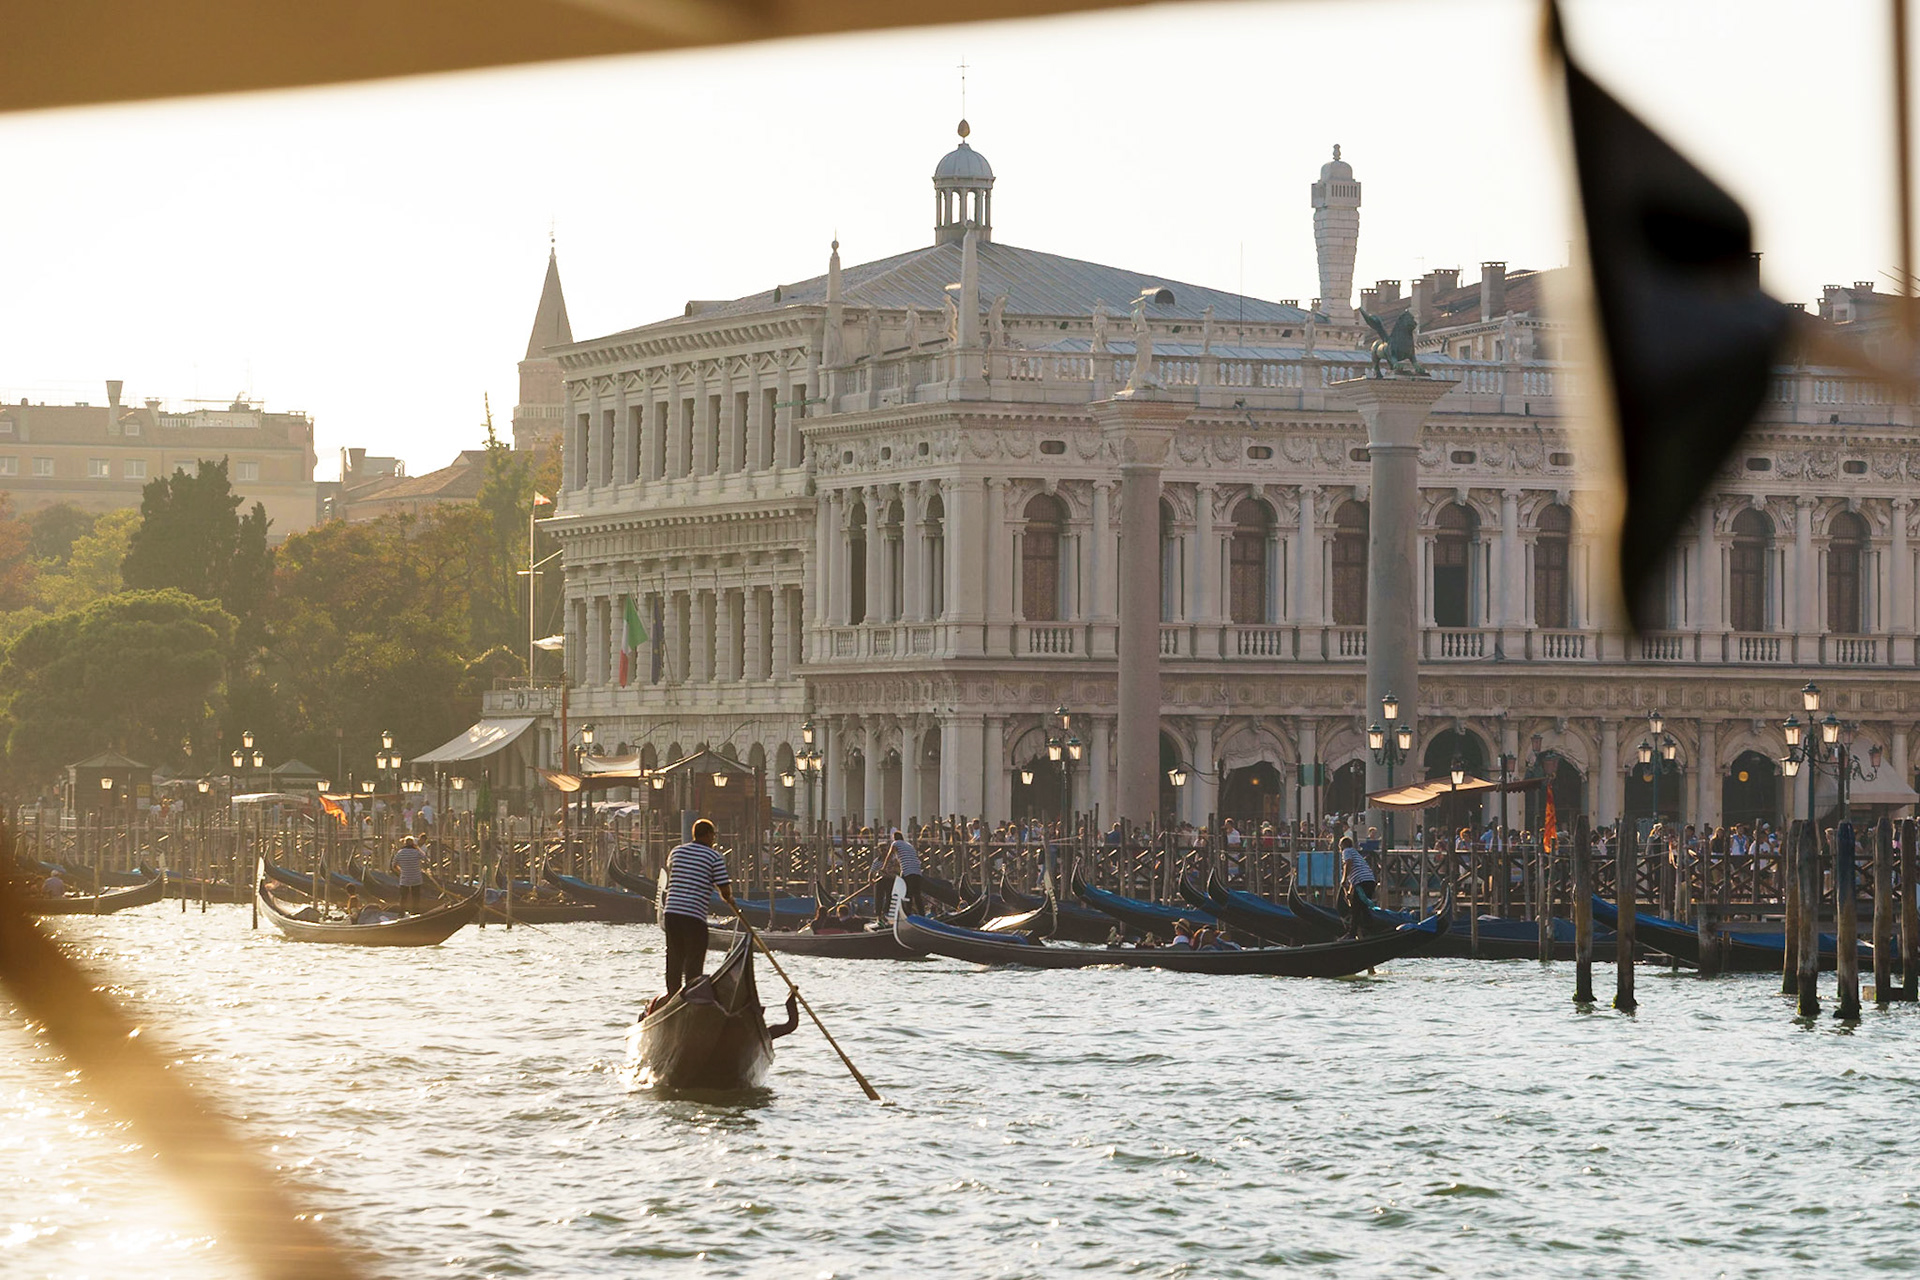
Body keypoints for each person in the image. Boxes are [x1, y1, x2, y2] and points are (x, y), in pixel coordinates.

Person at [662, 818, 734, 995]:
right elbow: (724, 891)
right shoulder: (714, 857)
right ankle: (692, 994)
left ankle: (673, 995)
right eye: (713, 835)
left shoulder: (676, 852)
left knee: (674, 956)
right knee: (695, 957)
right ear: (709, 835)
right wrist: (732, 902)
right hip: (693, 915)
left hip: (671, 912)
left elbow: (676, 874)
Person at [888, 828, 924, 916]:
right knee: (917, 894)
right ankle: (922, 914)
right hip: (917, 872)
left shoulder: (896, 843)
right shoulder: (909, 845)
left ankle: (908, 914)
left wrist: (884, 867)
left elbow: (889, 855)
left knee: (907, 894)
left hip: (908, 872)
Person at [1340, 835, 1379, 914]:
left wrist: (1343, 879)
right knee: (1362, 907)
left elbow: (1348, 864)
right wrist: (1350, 892)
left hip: (1363, 882)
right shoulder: (1355, 853)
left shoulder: (1346, 851)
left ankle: (1357, 925)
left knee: (1357, 908)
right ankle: (1364, 924)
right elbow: (1354, 879)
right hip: (1369, 881)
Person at [391, 835, 424, 911]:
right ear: (413, 844)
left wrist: (401, 871)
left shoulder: (400, 853)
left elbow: (393, 865)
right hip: (416, 878)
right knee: (416, 897)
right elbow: (425, 857)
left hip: (405, 878)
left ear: (404, 844)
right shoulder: (416, 852)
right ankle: (415, 912)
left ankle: (402, 912)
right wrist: (417, 848)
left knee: (403, 897)